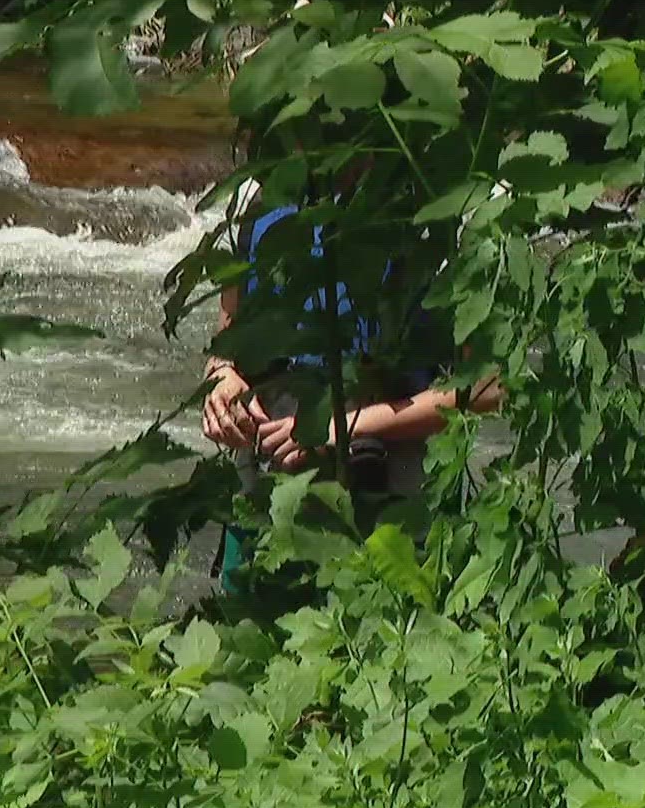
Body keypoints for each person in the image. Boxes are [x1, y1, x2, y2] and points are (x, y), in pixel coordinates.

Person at [202, 176, 499, 594]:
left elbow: (486, 388)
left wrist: (344, 425)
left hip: (392, 493)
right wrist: (221, 381)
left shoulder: (441, 207)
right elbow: (227, 341)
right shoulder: (260, 195)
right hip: (264, 487)